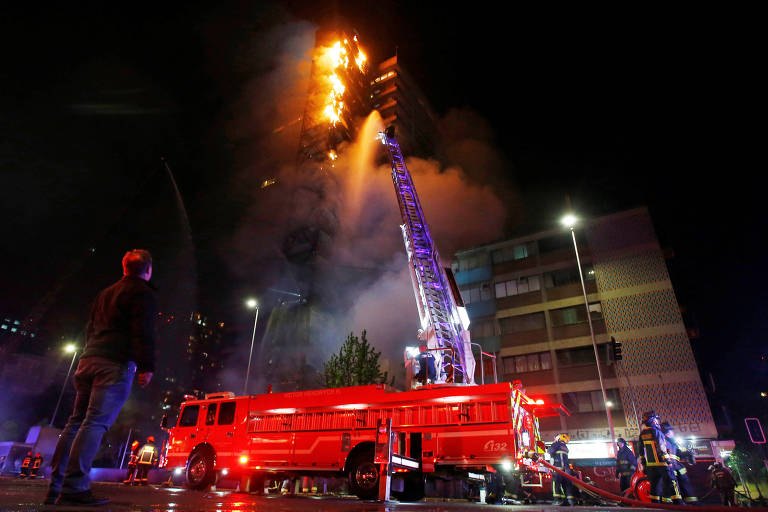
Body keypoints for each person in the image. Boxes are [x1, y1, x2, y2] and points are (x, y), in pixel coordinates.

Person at [45, 249, 157, 506]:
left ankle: (57, 487)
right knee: (94, 424)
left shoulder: (105, 293)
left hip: (88, 360)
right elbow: (143, 330)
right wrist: (146, 366)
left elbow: (90, 328)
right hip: (114, 364)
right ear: (148, 270)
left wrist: (88, 355)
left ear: (124, 268)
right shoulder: (143, 293)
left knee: (75, 422)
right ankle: (74, 488)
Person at [638, 411, 680, 504]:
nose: (657, 421)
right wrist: (668, 461)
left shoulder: (642, 434)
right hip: (661, 464)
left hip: (650, 466)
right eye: (656, 419)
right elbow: (661, 447)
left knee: (654, 486)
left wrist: (644, 464)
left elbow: (641, 451)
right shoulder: (656, 432)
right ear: (653, 421)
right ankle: (678, 503)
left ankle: (655, 505)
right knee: (672, 482)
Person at [661, 422, 698, 504]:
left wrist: (688, 453)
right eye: (671, 431)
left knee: (685, 482)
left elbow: (680, 453)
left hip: (677, 466)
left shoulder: (674, 442)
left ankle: (691, 501)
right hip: (669, 466)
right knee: (672, 484)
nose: (673, 432)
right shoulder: (663, 442)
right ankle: (673, 502)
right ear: (667, 432)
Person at [549, 433, 574, 506]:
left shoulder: (556, 444)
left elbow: (550, 452)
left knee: (556, 484)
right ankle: (567, 501)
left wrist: (553, 444)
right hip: (566, 471)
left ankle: (557, 500)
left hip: (557, 469)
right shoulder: (565, 447)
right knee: (565, 485)